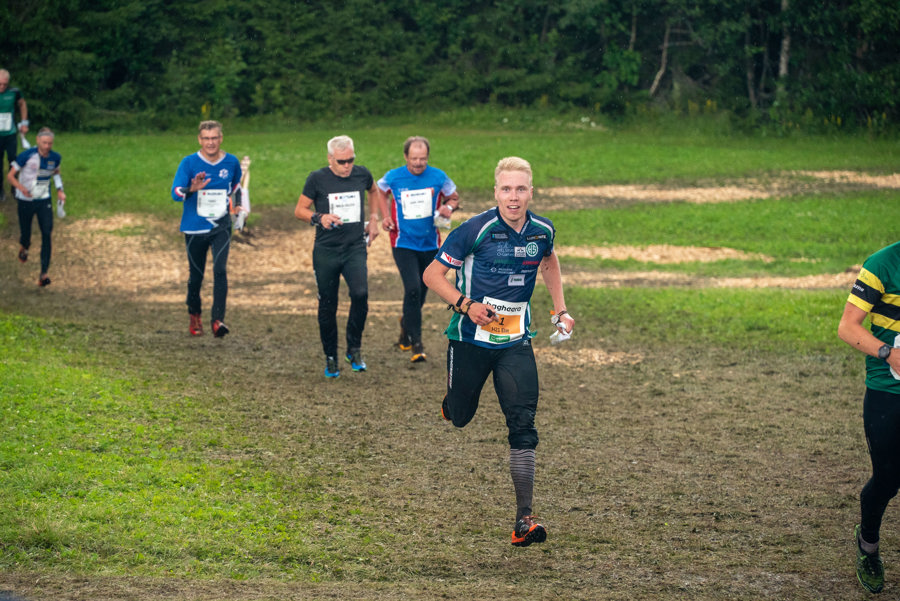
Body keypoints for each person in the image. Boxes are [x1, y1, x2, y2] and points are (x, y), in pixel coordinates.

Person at [422, 156, 575, 547]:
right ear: (496, 192)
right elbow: (432, 275)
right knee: (460, 415)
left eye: (521, 189)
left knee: (523, 425)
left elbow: (549, 261)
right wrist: (466, 305)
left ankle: (524, 520)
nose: (513, 197)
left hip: (515, 341)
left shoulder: (542, 230)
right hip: (469, 339)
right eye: (506, 189)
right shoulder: (475, 229)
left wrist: (560, 310)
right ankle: (451, 403)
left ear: (531, 192)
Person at [838, 241, 900, 594]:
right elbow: (848, 327)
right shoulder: (882, 264)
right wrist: (888, 353)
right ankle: (869, 546)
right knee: (888, 479)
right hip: (888, 392)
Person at [294, 135, 382, 378]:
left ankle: (353, 349)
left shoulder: (361, 174)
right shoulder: (317, 178)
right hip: (326, 250)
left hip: (354, 247)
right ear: (330, 159)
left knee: (361, 294)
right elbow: (299, 210)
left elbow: (374, 191)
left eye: (350, 160)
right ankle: (330, 356)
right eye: (342, 161)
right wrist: (319, 218)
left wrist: (373, 219)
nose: (347, 166)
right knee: (328, 304)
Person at [377, 136, 459, 363]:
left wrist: (448, 207)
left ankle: (406, 325)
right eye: (414, 159)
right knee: (412, 288)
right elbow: (377, 191)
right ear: (405, 157)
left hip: (430, 243)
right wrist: (384, 217)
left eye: (422, 159)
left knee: (420, 293)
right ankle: (417, 344)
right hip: (402, 242)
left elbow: (454, 196)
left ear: (427, 158)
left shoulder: (438, 176)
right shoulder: (394, 177)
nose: (418, 163)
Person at [170, 120, 241, 338]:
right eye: (206, 139)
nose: (210, 143)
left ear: (221, 138)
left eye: (214, 138)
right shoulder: (189, 163)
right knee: (196, 276)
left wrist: (237, 207)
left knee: (220, 270)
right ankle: (194, 314)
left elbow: (236, 187)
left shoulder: (231, 162)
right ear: (199, 140)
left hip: (220, 225)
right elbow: (175, 194)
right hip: (194, 227)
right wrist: (192, 187)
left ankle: (218, 320)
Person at [6, 127, 64, 287]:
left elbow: (56, 173)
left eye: (50, 143)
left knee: (47, 232)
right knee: (26, 232)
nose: (47, 146)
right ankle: (24, 246)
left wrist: (60, 191)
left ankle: (43, 273)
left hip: (43, 199)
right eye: (44, 143)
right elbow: (10, 176)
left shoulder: (55, 158)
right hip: (25, 200)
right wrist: (21, 188)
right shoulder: (26, 156)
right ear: (38, 141)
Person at [0, 69, 29, 202]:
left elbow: (22, 104)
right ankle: (0, 191)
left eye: (5, 84)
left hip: (10, 133)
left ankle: (14, 187)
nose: (2, 87)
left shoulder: (14, 92)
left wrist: (24, 122)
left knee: (13, 161)